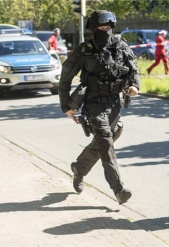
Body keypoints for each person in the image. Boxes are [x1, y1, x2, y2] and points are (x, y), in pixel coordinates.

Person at [58, 10, 140, 205]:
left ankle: (79, 168)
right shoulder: (84, 50)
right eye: (102, 27)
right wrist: (65, 106)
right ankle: (118, 189)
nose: (107, 30)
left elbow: (134, 69)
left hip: (113, 102)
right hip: (93, 103)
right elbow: (65, 77)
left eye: (109, 27)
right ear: (93, 28)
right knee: (104, 140)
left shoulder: (120, 46)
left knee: (111, 135)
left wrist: (135, 85)